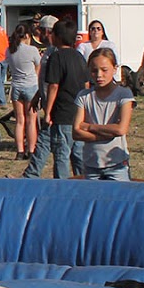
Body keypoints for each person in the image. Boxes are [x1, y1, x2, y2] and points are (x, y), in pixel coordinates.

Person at [25, 19, 87, 179]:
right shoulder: (79, 56)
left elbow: (53, 86)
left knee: (62, 153)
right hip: (78, 113)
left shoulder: (56, 57)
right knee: (78, 154)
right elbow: (86, 84)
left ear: (58, 37)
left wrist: (48, 113)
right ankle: (85, 184)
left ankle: (62, 186)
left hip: (61, 114)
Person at [73, 47, 134, 181]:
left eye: (104, 70)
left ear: (115, 69)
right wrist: (106, 134)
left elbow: (120, 129)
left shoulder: (124, 94)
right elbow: (76, 132)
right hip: (91, 164)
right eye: (94, 71)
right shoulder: (84, 96)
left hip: (116, 164)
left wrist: (89, 127)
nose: (99, 75)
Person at [6, 23, 41, 160]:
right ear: (27, 36)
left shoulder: (9, 50)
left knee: (20, 120)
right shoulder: (32, 50)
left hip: (16, 87)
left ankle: (20, 151)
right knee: (31, 121)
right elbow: (38, 66)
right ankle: (31, 150)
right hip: (30, 86)